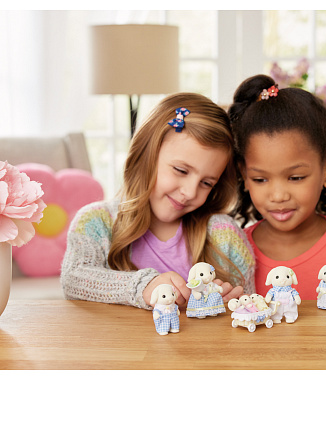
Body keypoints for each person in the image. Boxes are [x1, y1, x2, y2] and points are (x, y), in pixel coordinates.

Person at [61, 93, 255, 310]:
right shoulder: (95, 222)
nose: (190, 192)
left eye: (206, 183)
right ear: (147, 155)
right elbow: (73, 279)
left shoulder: (224, 235)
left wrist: (229, 307)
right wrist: (143, 286)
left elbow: (250, 308)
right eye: (181, 170)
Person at [228, 74, 326, 303]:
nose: (278, 196)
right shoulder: (232, 251)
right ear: (244, 175)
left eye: (296, 177)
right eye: (260, 179)